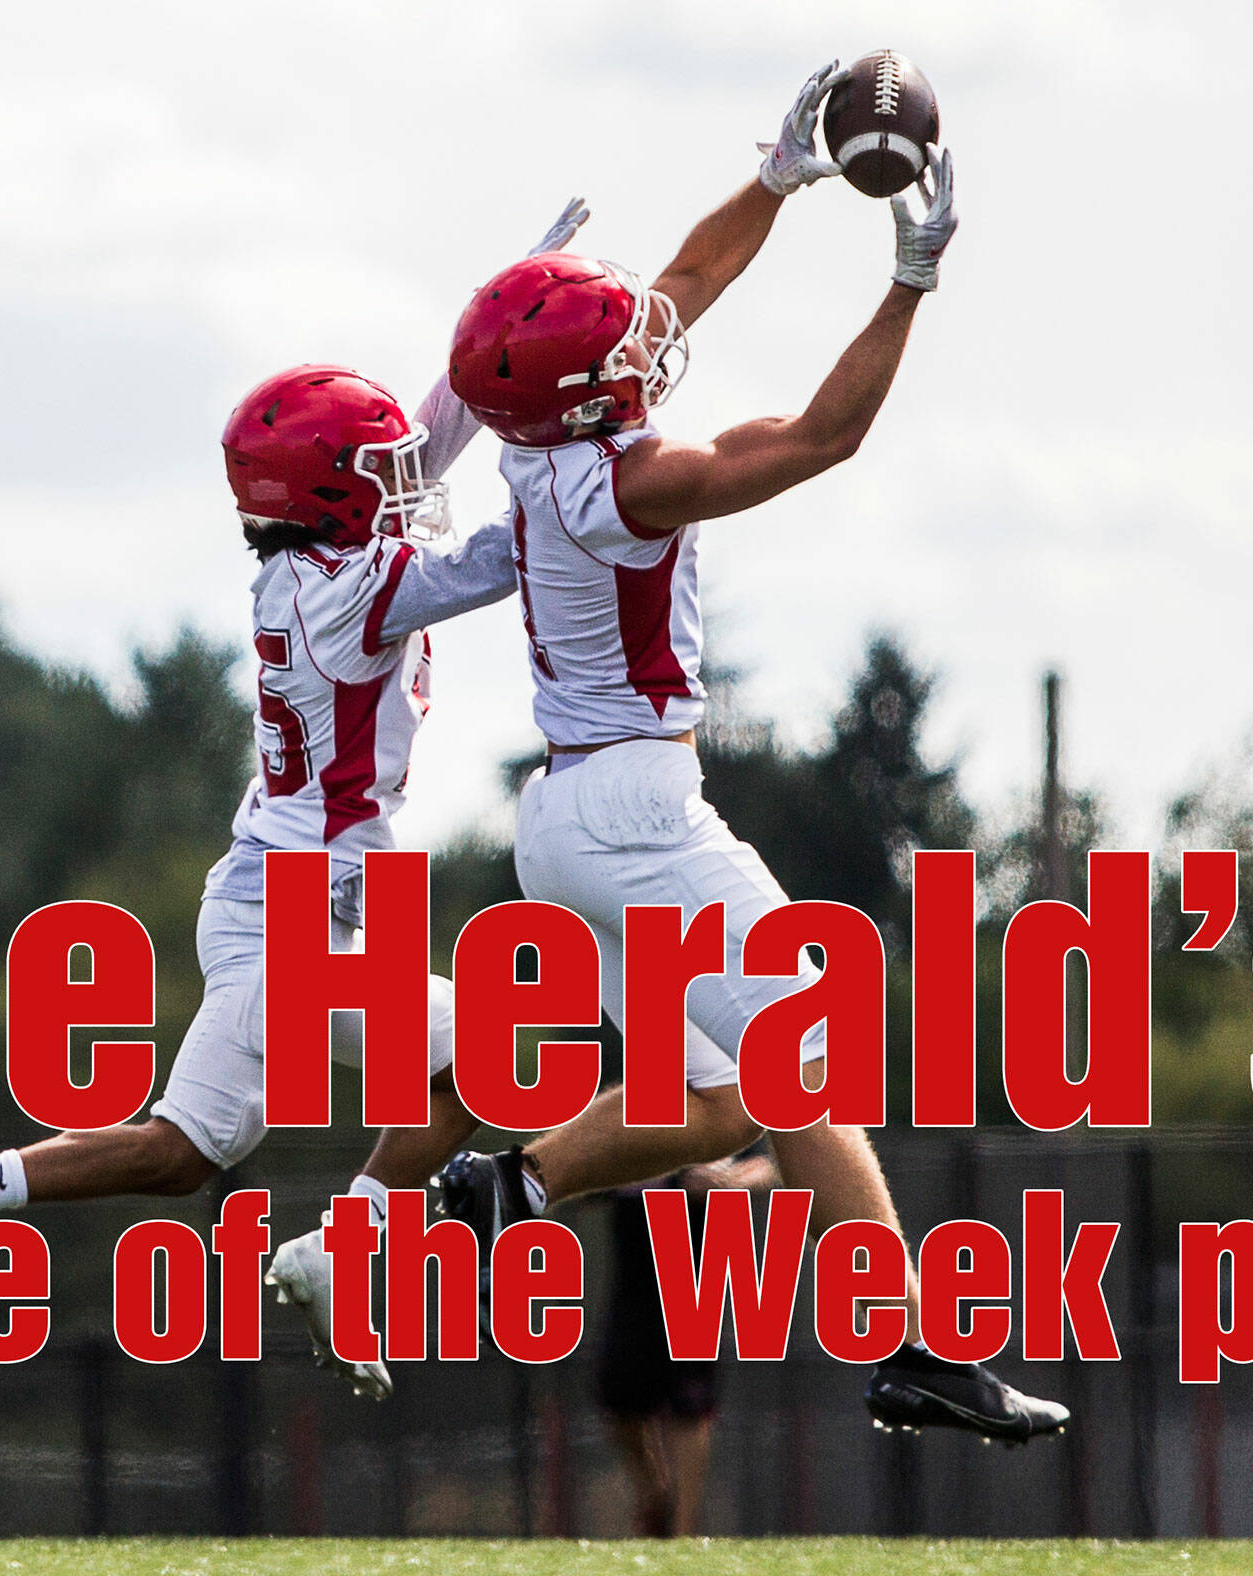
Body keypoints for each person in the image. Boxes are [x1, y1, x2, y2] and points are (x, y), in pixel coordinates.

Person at [0, 201, 590, 1403]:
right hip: (292, 918)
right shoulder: (348, 588)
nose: (403, 481)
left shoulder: (319, 559)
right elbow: (510, 552)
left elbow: (424, 442)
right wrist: (571, 422)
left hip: (299, 907)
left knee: (182, 1152)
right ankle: (345, 1254)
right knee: (496, 1061)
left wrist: (497, 334)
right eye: (375, 475)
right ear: (327, 496)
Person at [435, 65, 1067, 1444]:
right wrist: (911, 274)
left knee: (719, 1102)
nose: (640, 346)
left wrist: (782, 168)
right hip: (639, 815)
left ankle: (514, 1185)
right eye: (614, 352)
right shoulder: (631, 480)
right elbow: (827, 435)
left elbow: (682, 280)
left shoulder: (539, 434)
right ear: (582, 393)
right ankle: (914, 1350)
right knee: (804, 1065)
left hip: (576, 816)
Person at [599, 1149, 775, 1537]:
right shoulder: (625, 1121)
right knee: (617, 1403)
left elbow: (766, 1167)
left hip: (693, 1285)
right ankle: (655, 1494)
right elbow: (582, 1179)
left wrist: (726, 1183)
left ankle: (684, 1532)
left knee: (690, 1407)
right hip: (632, 1285)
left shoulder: (717, 1105)